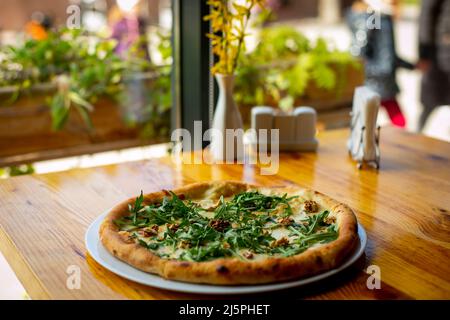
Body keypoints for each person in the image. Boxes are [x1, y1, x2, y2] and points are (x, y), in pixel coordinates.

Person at [346, 0, 414, 128]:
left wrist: (411, 66)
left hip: (383, 82)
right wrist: (380, 71)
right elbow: (358, 53)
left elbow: (386, 52)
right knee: (366, 126)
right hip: (375, 83)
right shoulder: (373, 17)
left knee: (396, 123)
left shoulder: (380, 16)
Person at [417, 0, 450, 131]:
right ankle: (419, 135)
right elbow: (427, 14)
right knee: (431, 101)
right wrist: (425, 52)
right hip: (441, 52)